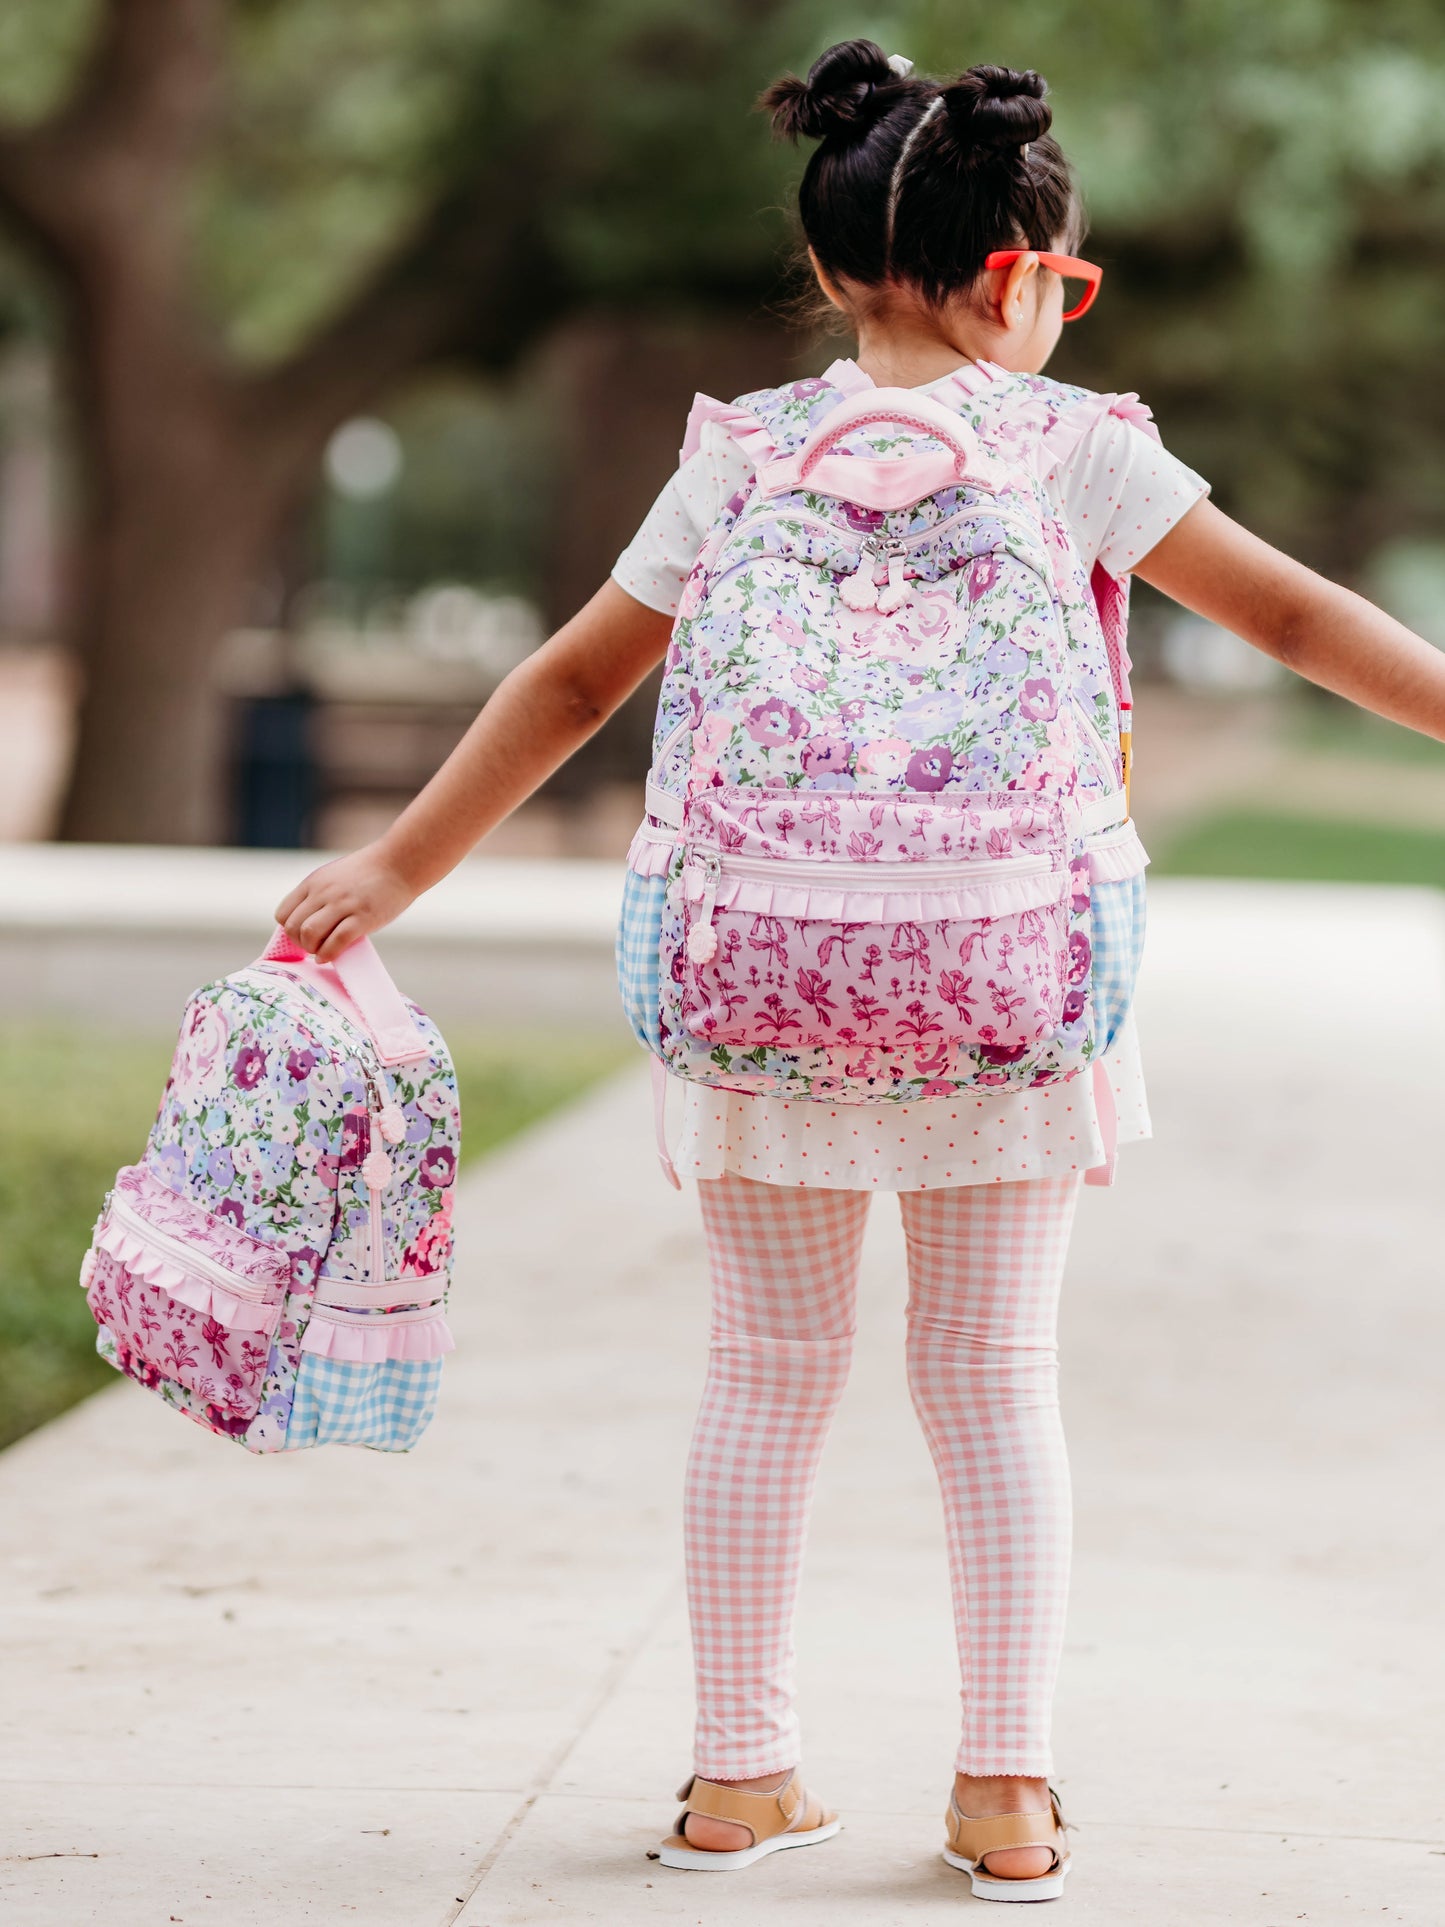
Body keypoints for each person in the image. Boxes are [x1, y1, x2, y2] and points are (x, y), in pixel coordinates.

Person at [277, 41, 1445, 1901]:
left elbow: (575, 684)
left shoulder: (734, 455)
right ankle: (1002, 1796)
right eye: (1063, 282)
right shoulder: (1080, 454)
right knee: (992, 1376)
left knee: (761, 1372)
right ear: (1017, 282)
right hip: (1006, 976)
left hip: (761, 981)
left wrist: (396, 866)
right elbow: (1296, 616)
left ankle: (738, 1783)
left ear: (823, 274)